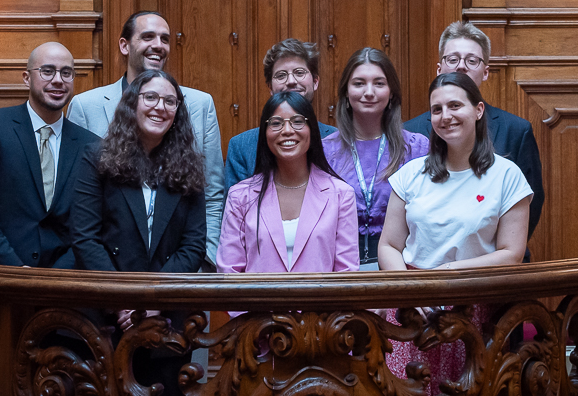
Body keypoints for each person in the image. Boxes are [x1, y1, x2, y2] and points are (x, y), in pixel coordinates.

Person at [379, 72, 533, 389]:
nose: (445, 116)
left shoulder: (507, 175)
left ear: (478, 110)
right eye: (437, 109)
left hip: (473, 310)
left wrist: (450, 272)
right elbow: (389, 245)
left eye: (454, 106)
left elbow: (512, 254)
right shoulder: (410, 174)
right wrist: (408, 289)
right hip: (412, 310)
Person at [71, 69, 207, 396]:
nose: (160, 107)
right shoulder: (96, 158)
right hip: (108, 317)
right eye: (151, 97)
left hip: (167, 321)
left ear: (178, 112)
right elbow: (85, 237)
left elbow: (193, 245)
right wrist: (124, 302)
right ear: (132, 103)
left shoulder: (190, 164)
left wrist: (154, 304)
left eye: (170, 101)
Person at [67, 11, 225, 266]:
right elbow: (79, 205)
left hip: (180, 272)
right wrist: (112, 285)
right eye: (148, 36)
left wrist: (204, 263)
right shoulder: (85, 106)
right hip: (107, 273)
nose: (158, 45)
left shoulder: (199, 104)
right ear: (125, 45)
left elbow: (213, 194)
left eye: (165, 39)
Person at [403, 21, 544, 253]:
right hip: (425, 261)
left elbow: (531, 204)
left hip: (493, 260)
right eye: (452, 59)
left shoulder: (516, 130)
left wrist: (495, 252)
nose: (461, 66)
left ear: (485, 72)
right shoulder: (410, 131)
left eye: (471, 60)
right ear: (439, 69)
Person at [0, 42, 97, 270]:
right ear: (27, 78)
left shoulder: (91, 145)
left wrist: (56, 276)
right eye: (47, 71)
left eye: (66, 73)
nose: (58, 80)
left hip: (64, 281)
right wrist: (16, 271)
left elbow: (92, 225)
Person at [216, 91, 358, 274]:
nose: (287, 130)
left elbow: (347, 274)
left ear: (312, 130)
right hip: (257, 294)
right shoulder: (240, 196)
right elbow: (229, 272)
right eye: (276, 123)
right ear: (264, 133)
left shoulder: (341, 194)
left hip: (321, 294)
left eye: (298, 121)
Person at [323, 48, 428, 270]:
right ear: (346, 93)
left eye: (379, 83)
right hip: (339, 268)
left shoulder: (416, 148)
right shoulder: (324, 151)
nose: (369, 92)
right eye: (359, 83)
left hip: (401, 266)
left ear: (391, 93)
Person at [224, 39, 337, 191]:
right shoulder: (241, 146)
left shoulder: (338, 140)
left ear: (315, 81)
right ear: (270, 87)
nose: (291, 81)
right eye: (281, 75)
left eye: (299, 73)